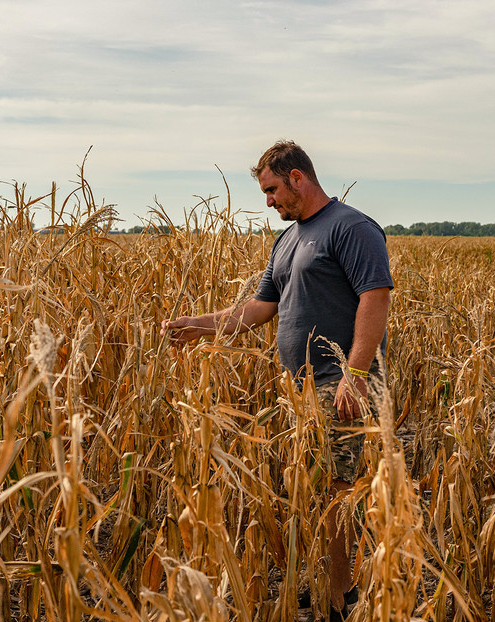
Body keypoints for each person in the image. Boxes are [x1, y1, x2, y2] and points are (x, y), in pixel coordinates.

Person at [161, 140, 393, 619]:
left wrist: (356, 373)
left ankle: (341, 596)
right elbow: (259, 308)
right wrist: (197, 325)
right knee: (307, 490)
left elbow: (375, 296)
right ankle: (324, 582)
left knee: (335, 491)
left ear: (297, 178)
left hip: (338, 382)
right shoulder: (286, 241)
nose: (267, 202)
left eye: (271, 190)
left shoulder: (352, 227)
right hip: (299, 391)